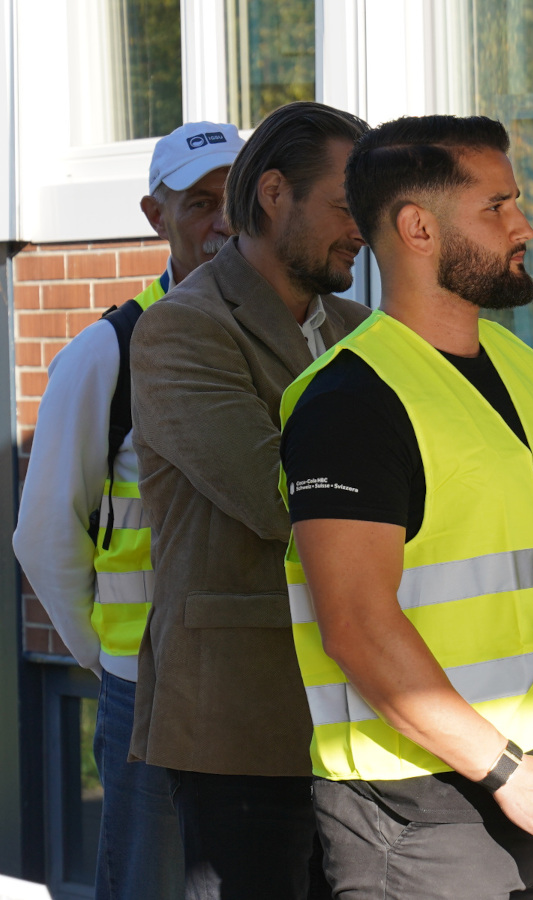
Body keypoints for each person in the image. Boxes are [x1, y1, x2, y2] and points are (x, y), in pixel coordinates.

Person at [276, 114, 533, 900]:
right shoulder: (347, 401)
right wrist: (507, 771)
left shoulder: (531, 373)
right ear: (418, 228)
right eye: (496, 207)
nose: (523, 225)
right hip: (420, 812)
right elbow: (358, 625)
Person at [128, 101, 371, 900]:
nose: (361, 230)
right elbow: (280, 500)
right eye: (345, 206)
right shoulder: (180, 331)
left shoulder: (365, 328)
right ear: (273, 194)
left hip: (364, 722)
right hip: (241, 728)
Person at [13, 120, 239, 900]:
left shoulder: (296, 339)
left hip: (267, 685)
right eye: (200, 202)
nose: (224, 221)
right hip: (147, 692)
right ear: (154, 215)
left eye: (238, 199)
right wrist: (108, 658)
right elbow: (44, 536)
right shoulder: (107, 353)